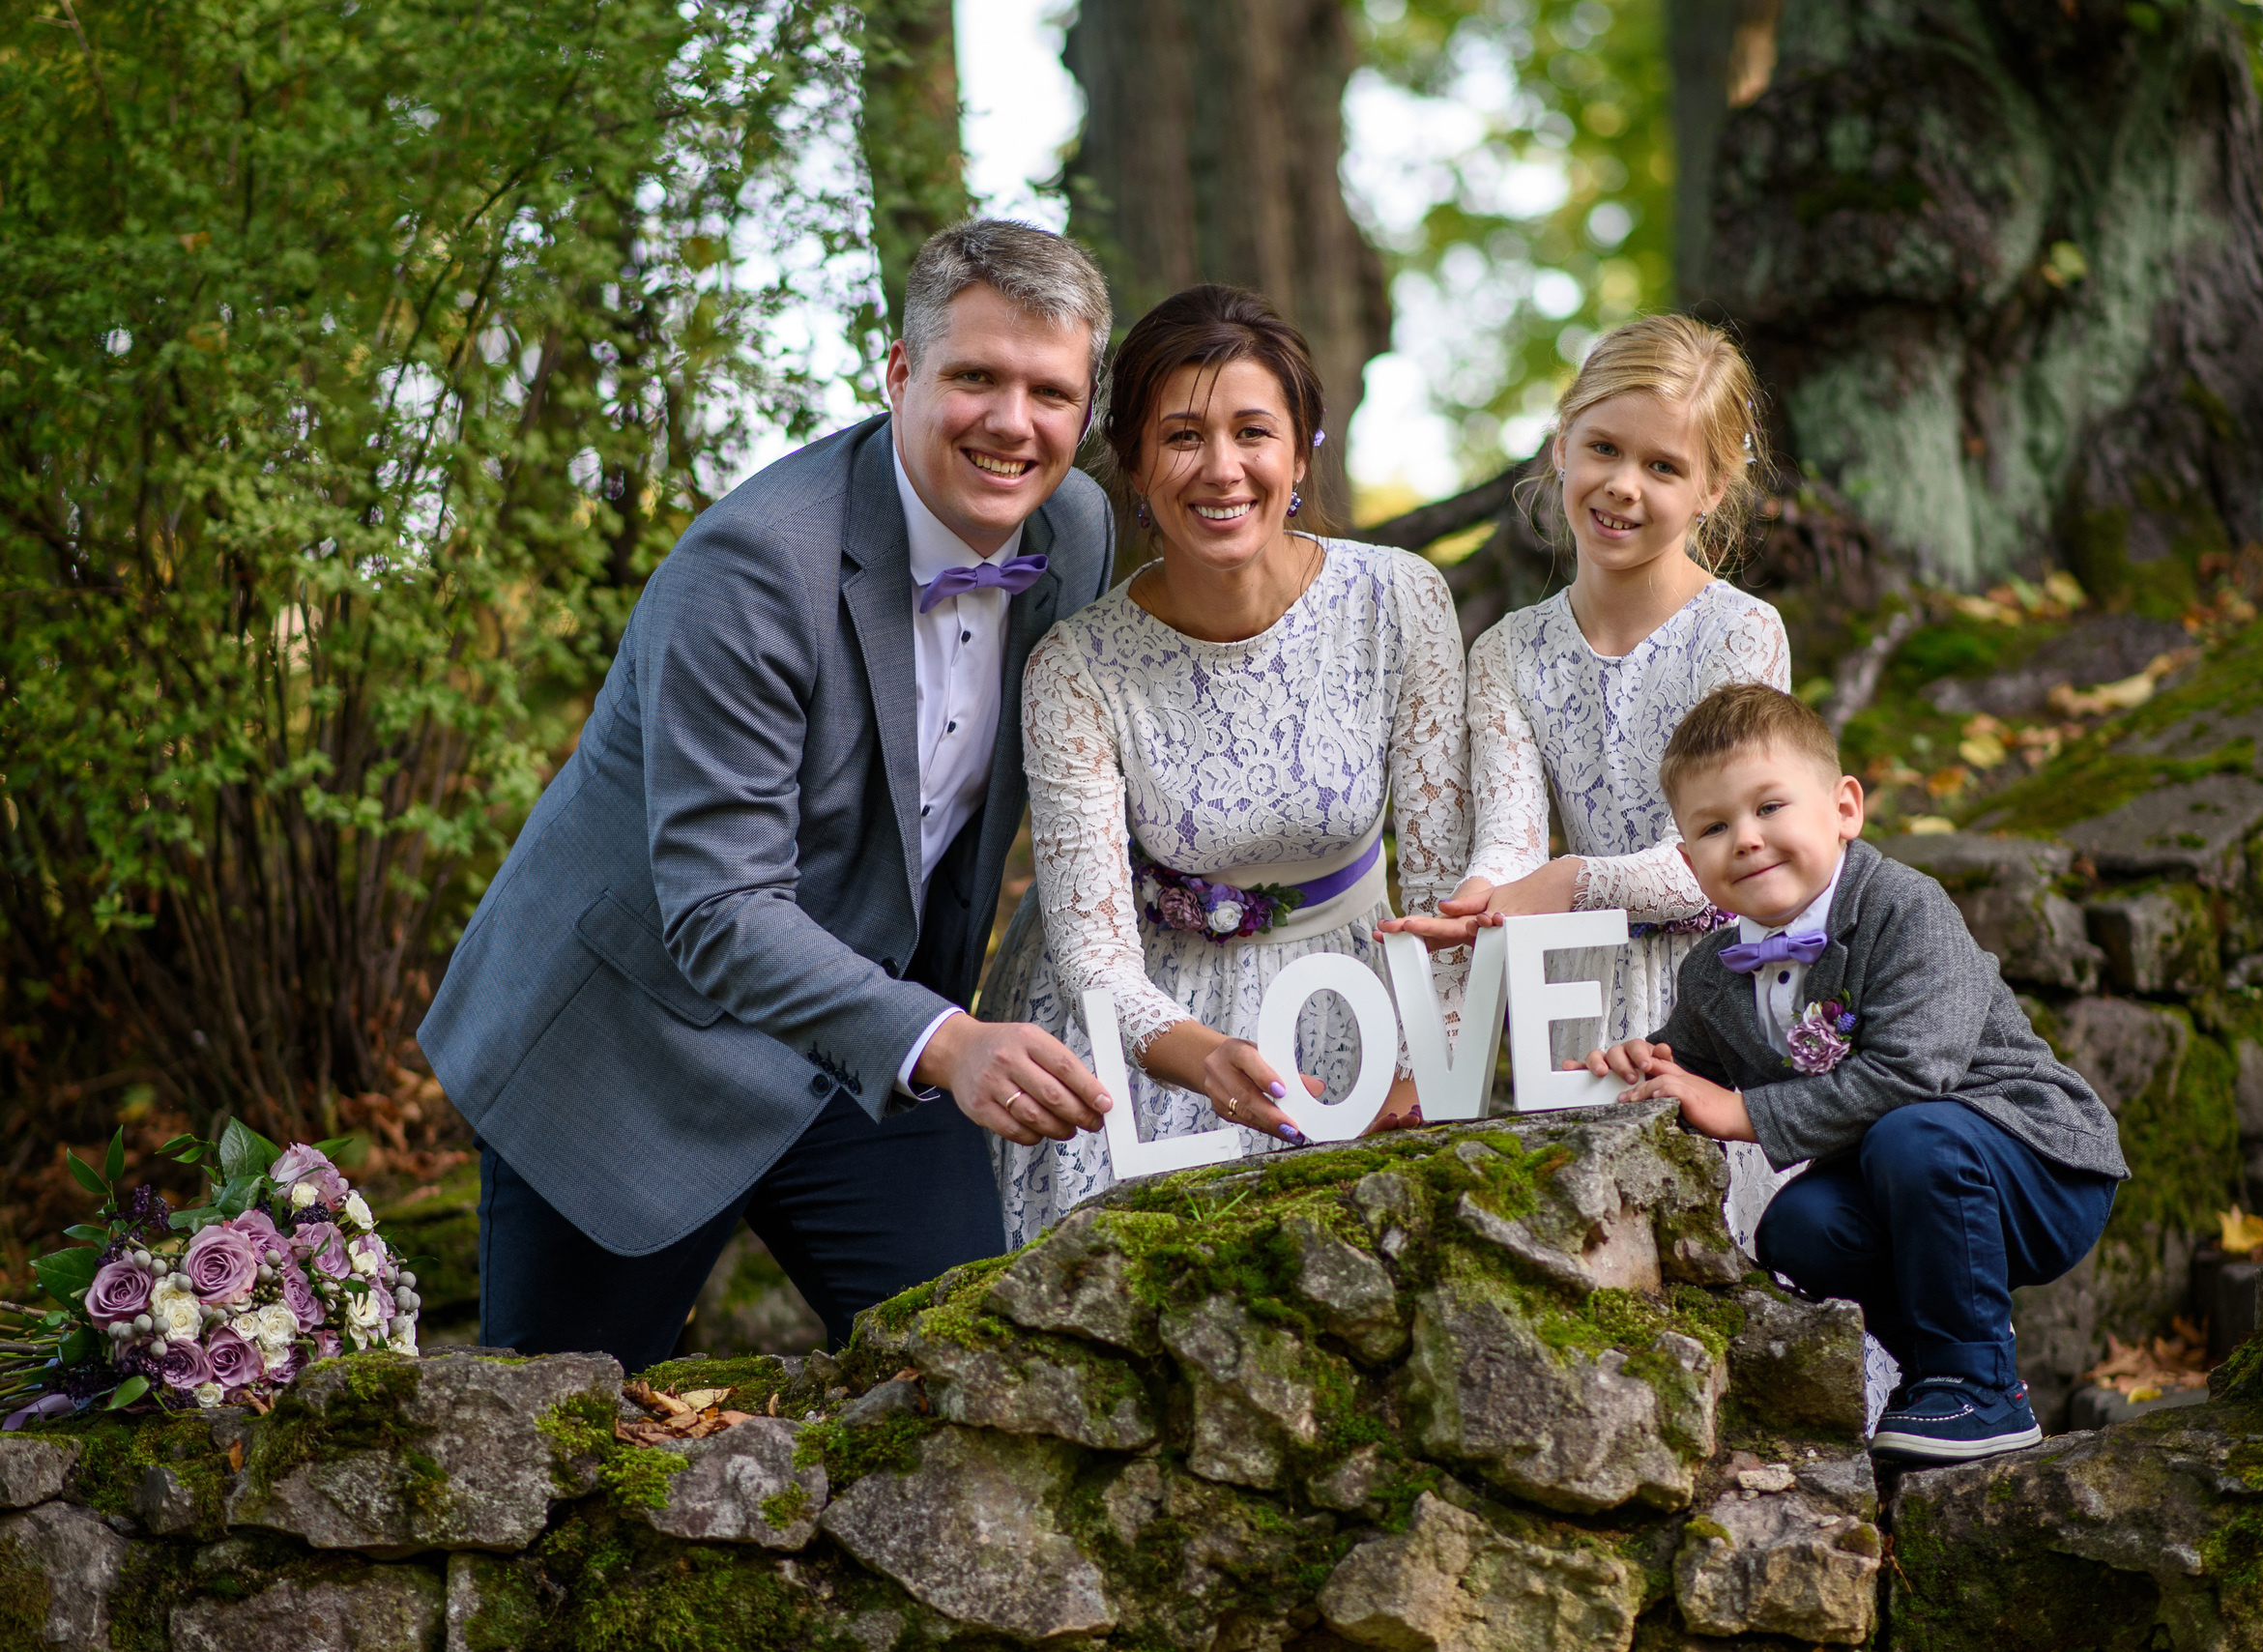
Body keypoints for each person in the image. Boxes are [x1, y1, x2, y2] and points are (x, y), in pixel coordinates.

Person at [418, 220, 1121, 1368]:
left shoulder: (1073, 529)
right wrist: (948, 1042)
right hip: (635, 1047)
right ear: (899, 373)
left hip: (869, 1037)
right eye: (975, 377)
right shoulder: (748, 567)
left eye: (1051, 391)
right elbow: (719, 905)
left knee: (986, 1369)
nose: (1013, 423)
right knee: (552, 1452)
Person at [977, 283, 1470, 1247]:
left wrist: (1428, 1056)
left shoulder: (1400, 600)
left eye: (1252, 431)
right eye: (1181, 436)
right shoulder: (1074, 667)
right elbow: (1096, 958)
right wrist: (1195, 1056)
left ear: (1300, 450)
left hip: (1352, 991)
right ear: (1133, 461)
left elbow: (1446, 875)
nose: (1221, 469)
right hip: (1140, 1026)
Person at [1583, 683, 2128, 1464]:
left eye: (1769, 807)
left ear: (1844, 808)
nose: (1745, 838)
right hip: (1907, 1185)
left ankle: (1979, 1382)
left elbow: (1914, 1077)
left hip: (2038, 1165)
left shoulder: (1904, 906)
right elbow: (1690, 1065)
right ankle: (1941, 1374)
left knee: (1914, 1134)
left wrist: (1741, 1113)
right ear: (1688, 860)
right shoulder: (1712, 972)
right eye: (1713, 826)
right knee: (1798, 1225)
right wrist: (1647, 1062)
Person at [1379, 314, 1792, 1255]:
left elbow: (1729, 862)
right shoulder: (1509, 653)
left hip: (1715, 999)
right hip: (1575, 1007)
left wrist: (1567, 884)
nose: (1621, 485)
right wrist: (1484, 899)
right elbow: (1510, 845)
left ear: (1710, 490)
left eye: (1662, 466)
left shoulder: (1738, 634)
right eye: (1602, 447)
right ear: (1559, 442)